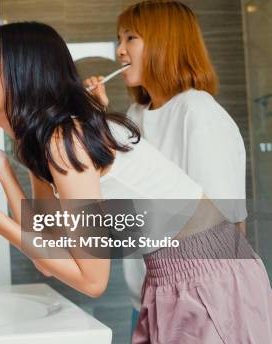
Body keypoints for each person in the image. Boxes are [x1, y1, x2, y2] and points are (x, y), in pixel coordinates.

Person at [0, 21, 272, 343]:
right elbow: (48, 254)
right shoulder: (47, 141)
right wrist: (2, 167)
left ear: (18, 73)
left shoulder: (65, 140)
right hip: (175, 277)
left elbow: (91, 281)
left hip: (208, 278)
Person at [83, 1, 249, 340]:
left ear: (165, 43)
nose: (119, 50)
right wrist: (96, 121)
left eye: (131, 38)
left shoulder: (198, 112)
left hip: (199, 303)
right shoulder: (135, 113)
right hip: (148, 300)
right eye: (119, 39)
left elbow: (226, 228)